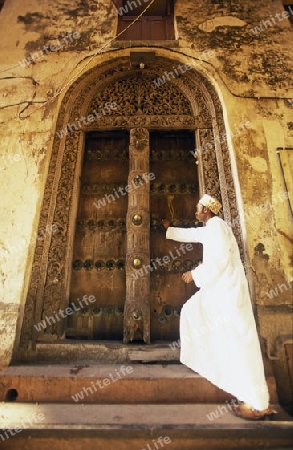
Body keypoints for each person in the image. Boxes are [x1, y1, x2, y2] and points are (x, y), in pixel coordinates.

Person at [162, 194, 276, 420]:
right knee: (198, 316)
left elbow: (219, 260)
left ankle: (257, 403)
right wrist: (170, 230)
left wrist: (194, 274)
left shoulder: (216, 228)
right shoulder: (214, 226)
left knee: (237, 342)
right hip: (223, 292)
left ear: (207, 211)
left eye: (198, 209)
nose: (195, 212)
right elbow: (195, 235)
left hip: (226, 294)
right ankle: (251, 398)